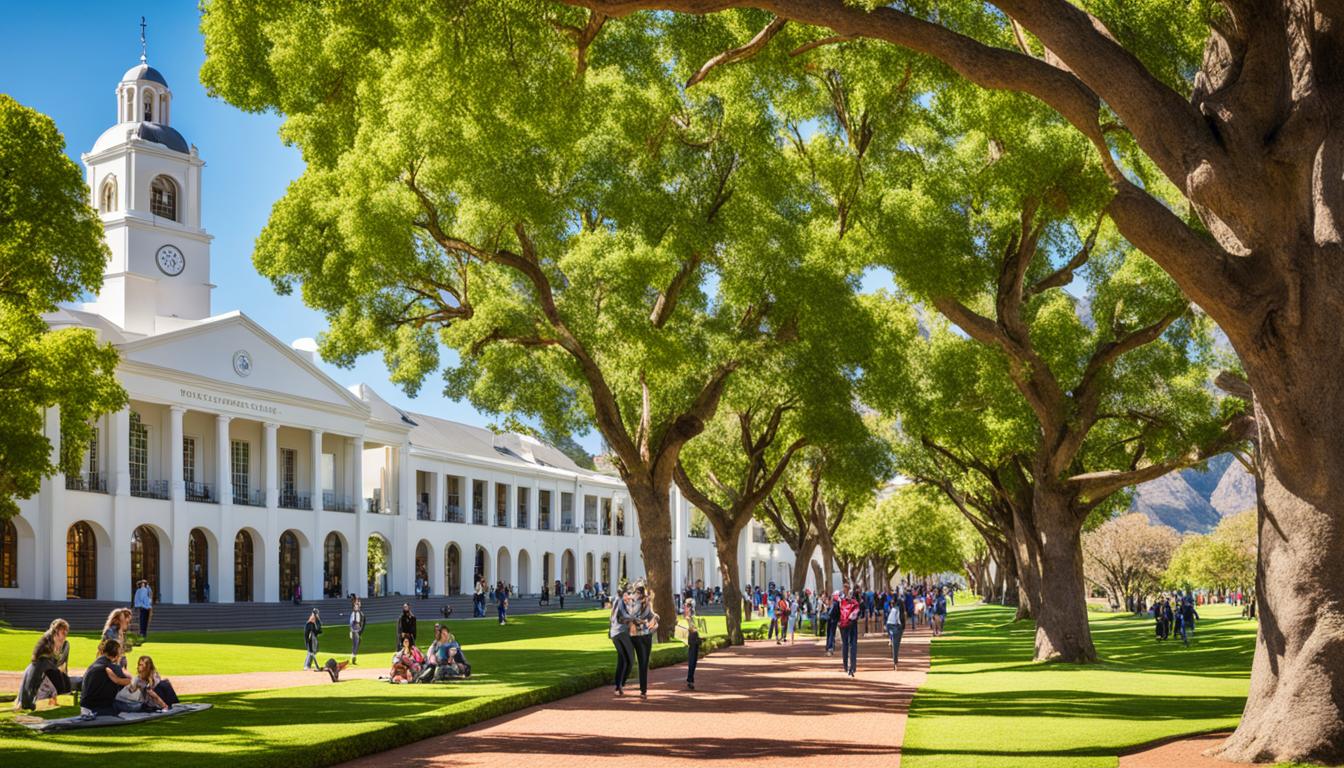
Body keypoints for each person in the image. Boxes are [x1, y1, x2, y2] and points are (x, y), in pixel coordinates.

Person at [16, 619, 74, 710]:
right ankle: (27, 701)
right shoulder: (45, 642)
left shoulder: (66, 645)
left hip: (52, 668)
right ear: (56, 630)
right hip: (41, 667)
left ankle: (59, 696)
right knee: (41, 667)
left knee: (64, 683)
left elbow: (64, 664)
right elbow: (35, 661)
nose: (65, 633)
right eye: (63, 631)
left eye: (66, 631)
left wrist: (65, 679)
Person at [81, 640, 133, 717]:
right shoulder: (112, 667)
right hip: (99, 707)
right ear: (117, 654)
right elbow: (129, 680)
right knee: (135, 706)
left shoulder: (95, 664)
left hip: (86, 705)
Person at [630, 584, 658, 699]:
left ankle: (643, 689)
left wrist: (656, 618)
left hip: (647, 635)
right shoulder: (633, 605)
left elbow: (652, 615)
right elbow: (632, 618)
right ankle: (643, 689)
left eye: (637, 593)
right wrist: (643, 622)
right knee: (642, 662)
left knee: (645, 663)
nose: (635, 595)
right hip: (637, 636)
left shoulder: (647, 604)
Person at [610, 587, 636, 696]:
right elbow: (625, 616)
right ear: (624, 595)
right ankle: (621, 684)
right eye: (628, 594)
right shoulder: (621, 602)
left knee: (622, 659)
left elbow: (611, 618)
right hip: (621, 633)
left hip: (614, 633)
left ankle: (618, 686)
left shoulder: (617, 601)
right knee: (630, 660)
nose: (630, 596)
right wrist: (635, 618)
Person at [677, 597, 701, 690]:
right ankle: (690, 679)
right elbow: (691, 628)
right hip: (691, 639)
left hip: (695, 638)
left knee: (694, 660)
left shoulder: (693, 616)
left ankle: (690, 678)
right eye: (687, 605)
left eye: (688, 606)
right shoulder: (688, 617)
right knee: (692, 660)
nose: (686, 607)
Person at [839, 588, 861, 677]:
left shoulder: (842, 602)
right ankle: (852, 666)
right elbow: (857, 614)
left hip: (843, 625)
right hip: (852, 625)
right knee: (853, 645)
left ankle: (845, 666)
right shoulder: (856, 603)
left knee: (845, 644)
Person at [885, 590, 907, 669]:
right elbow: (901, 619)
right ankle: (895, 663)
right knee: (896, 645)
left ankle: (891, 639)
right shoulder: (899, 607)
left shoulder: (890, 608)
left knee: (894, 644)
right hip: (896, 626)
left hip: (890, 624)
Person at [349, 597, 366, 665]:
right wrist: (352, 630)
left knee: (357, 642)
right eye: (356, 605)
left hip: (356, 628)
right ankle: (353, 656)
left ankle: (353, 655)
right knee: (356, 643)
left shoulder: (358, 613)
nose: (358, 606)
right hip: (354, 629)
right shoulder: (354, 613)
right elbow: (351, 622)